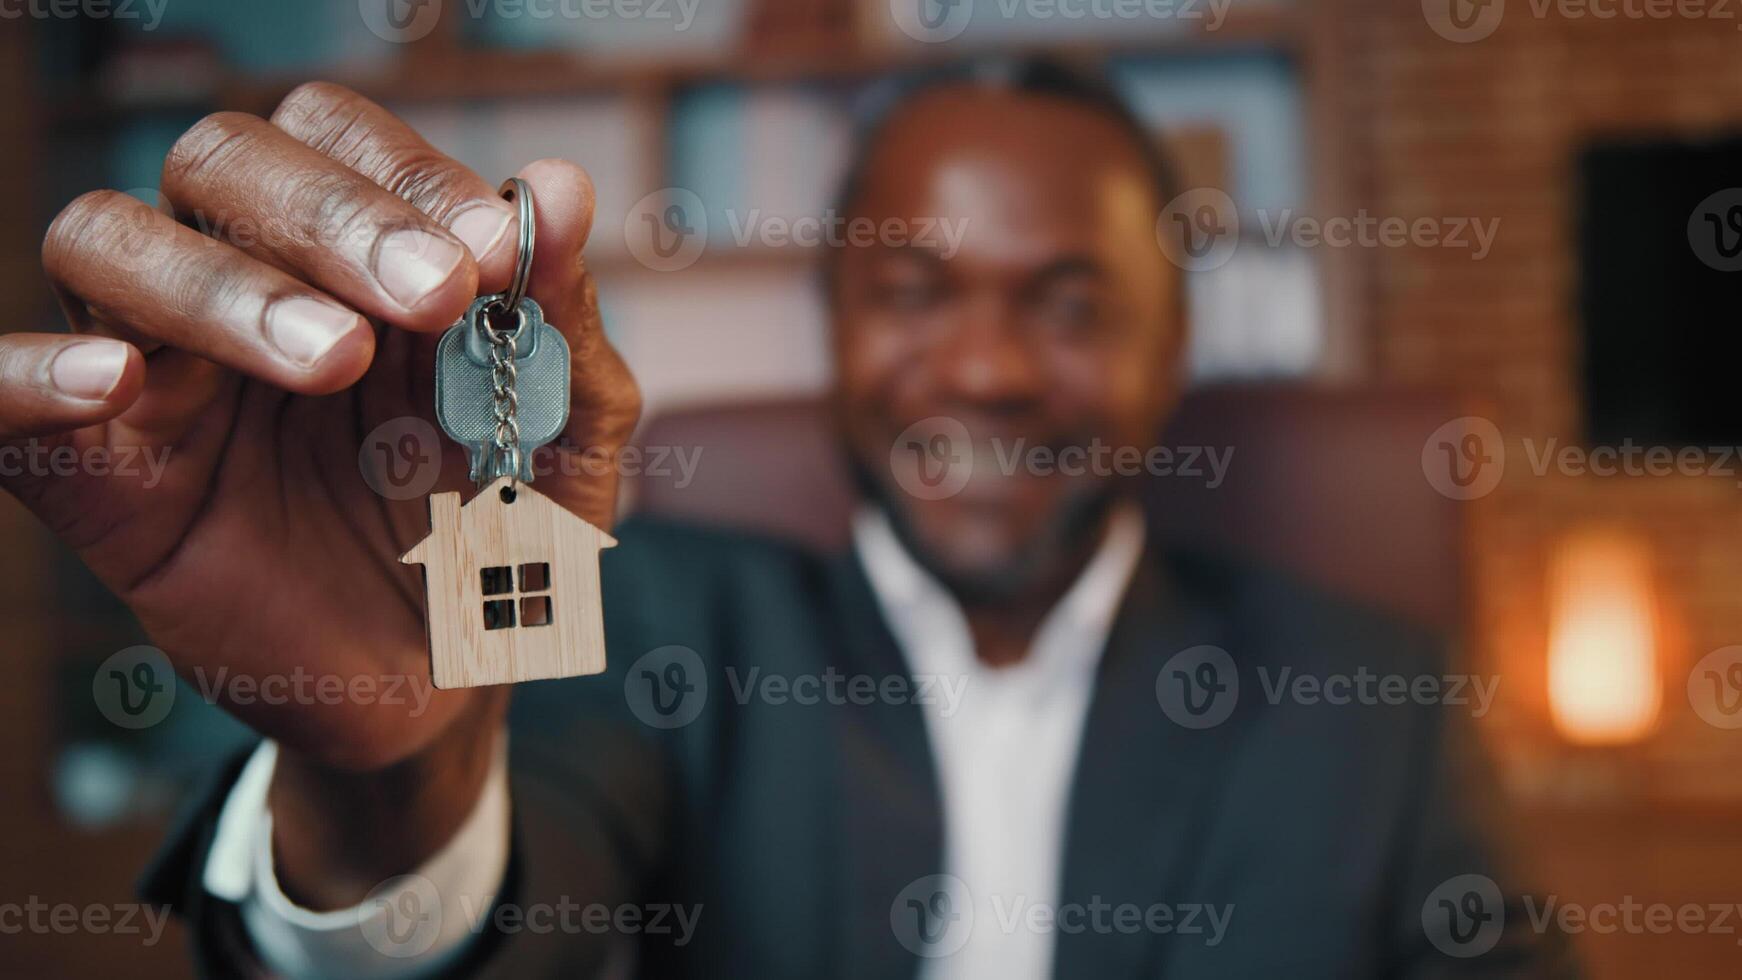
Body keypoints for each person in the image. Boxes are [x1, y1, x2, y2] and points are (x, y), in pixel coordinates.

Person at [10, 59, 1574, 978]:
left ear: (1176, 345)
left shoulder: (1377, 701)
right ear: (833, 322)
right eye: (912, 292)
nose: (982, 365)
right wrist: (391, 776)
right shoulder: (639, 616)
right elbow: (520, 917)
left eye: (1071, 300)